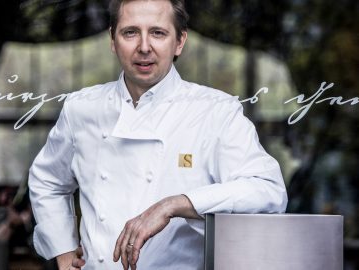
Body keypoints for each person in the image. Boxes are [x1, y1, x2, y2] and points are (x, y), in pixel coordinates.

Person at [28, 0, 288, 269]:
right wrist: (63, 250)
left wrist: (175, 204)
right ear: (112, 40)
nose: (143, 47)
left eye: (158, 33)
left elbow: (268, 191)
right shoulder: (82, 108)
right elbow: (47, 181)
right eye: (130, 32)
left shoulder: (215, 112)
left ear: (179, 42)